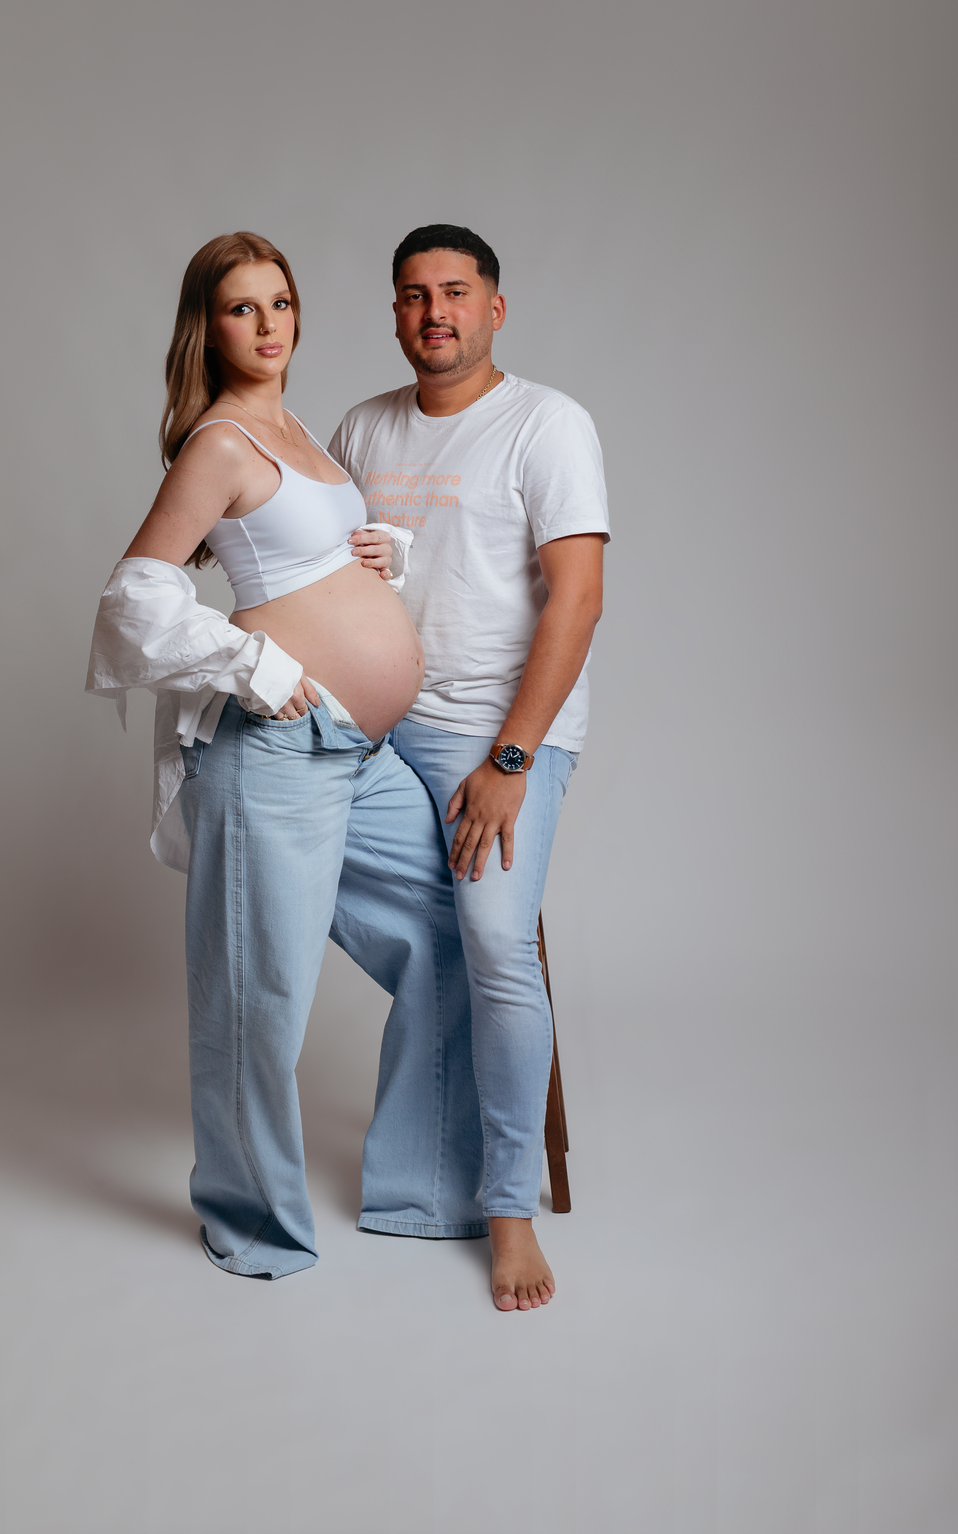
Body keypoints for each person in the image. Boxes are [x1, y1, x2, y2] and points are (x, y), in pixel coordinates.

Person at [85, 232, 484, 1281]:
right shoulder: (217, 443)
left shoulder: (300, 429)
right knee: (256, 1002)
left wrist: (380, 554)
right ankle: (253, 1221)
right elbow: (133, 598)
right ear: (207, 327)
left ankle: (418, 1189)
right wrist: (248, 661)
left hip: (360, 751)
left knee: (453, 940)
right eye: (242, 309)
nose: (268, 326)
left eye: (281, 303)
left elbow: (304, 560)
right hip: (277, 753)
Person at [330, 224, 610, 1312]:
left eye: (454, 292)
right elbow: (328, 573)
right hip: (378, 716)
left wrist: (510, 758)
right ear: (395, 314)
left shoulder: (546, 423)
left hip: (492, 734)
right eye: (413, 294)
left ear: (495, 308)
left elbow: (578, 599)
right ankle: (423, 1171)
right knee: (253, 808)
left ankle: (506, 1209)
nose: (433, 312)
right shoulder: (364, 427)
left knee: (494, 940)